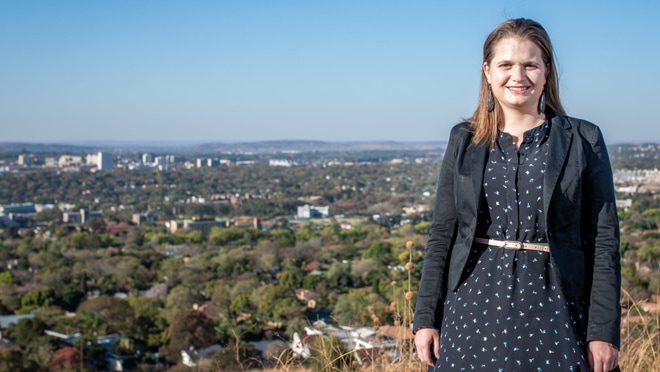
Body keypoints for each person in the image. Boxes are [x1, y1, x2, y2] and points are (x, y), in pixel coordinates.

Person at [413, 18, 621, 372]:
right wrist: (425, 318)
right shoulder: (463, 139)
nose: (518, 76)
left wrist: (603, 332)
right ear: (488, 71)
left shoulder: (584, 139)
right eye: (506, 65)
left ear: (546, 71)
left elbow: (603, 240)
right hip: (471, 304)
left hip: (558, 303)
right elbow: (442, 234)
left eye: (530, 65)